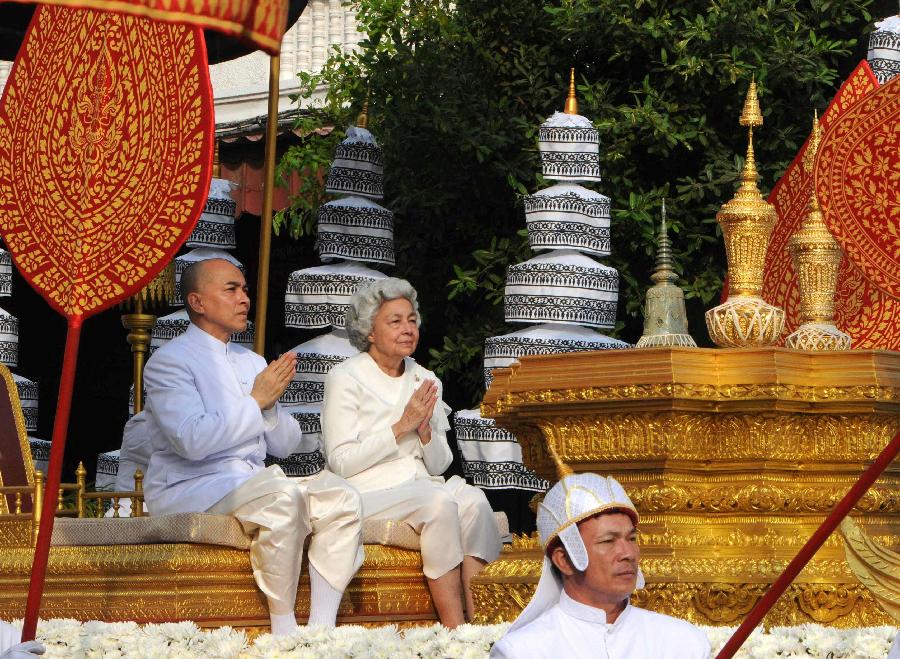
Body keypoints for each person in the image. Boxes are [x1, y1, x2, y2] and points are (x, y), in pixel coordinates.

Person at [142, 258, 364, 635]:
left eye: (245, 289)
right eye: (231, 289)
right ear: (197, 302)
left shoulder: (252, 361)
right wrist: (256, 401)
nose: (244, 298)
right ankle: (283, 626)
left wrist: (271, 403)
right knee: (281, 496)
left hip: (248, 483)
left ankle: (321, 629)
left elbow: (286, 444)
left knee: (341, 496)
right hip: (189, 486)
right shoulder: (169, 362)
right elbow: (191, 440)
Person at [321, 278, 501, 628]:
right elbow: (340, 463)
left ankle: (483, 625)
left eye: (412, 320)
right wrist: (401, 425)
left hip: (422, 482)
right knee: (438, 504)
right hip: (365, 491)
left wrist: (424, 431)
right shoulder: (345, 376)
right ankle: (455, 629)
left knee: (476, 502)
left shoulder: (425, 378)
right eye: (395, 321)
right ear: (369, 331)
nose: (408, 329)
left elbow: (440, 463)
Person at [491, 472, 710, 658]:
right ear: (564, 560)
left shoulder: (683, 643)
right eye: (608, 541)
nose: (627, 553)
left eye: (631, 539)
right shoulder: (522, 652)